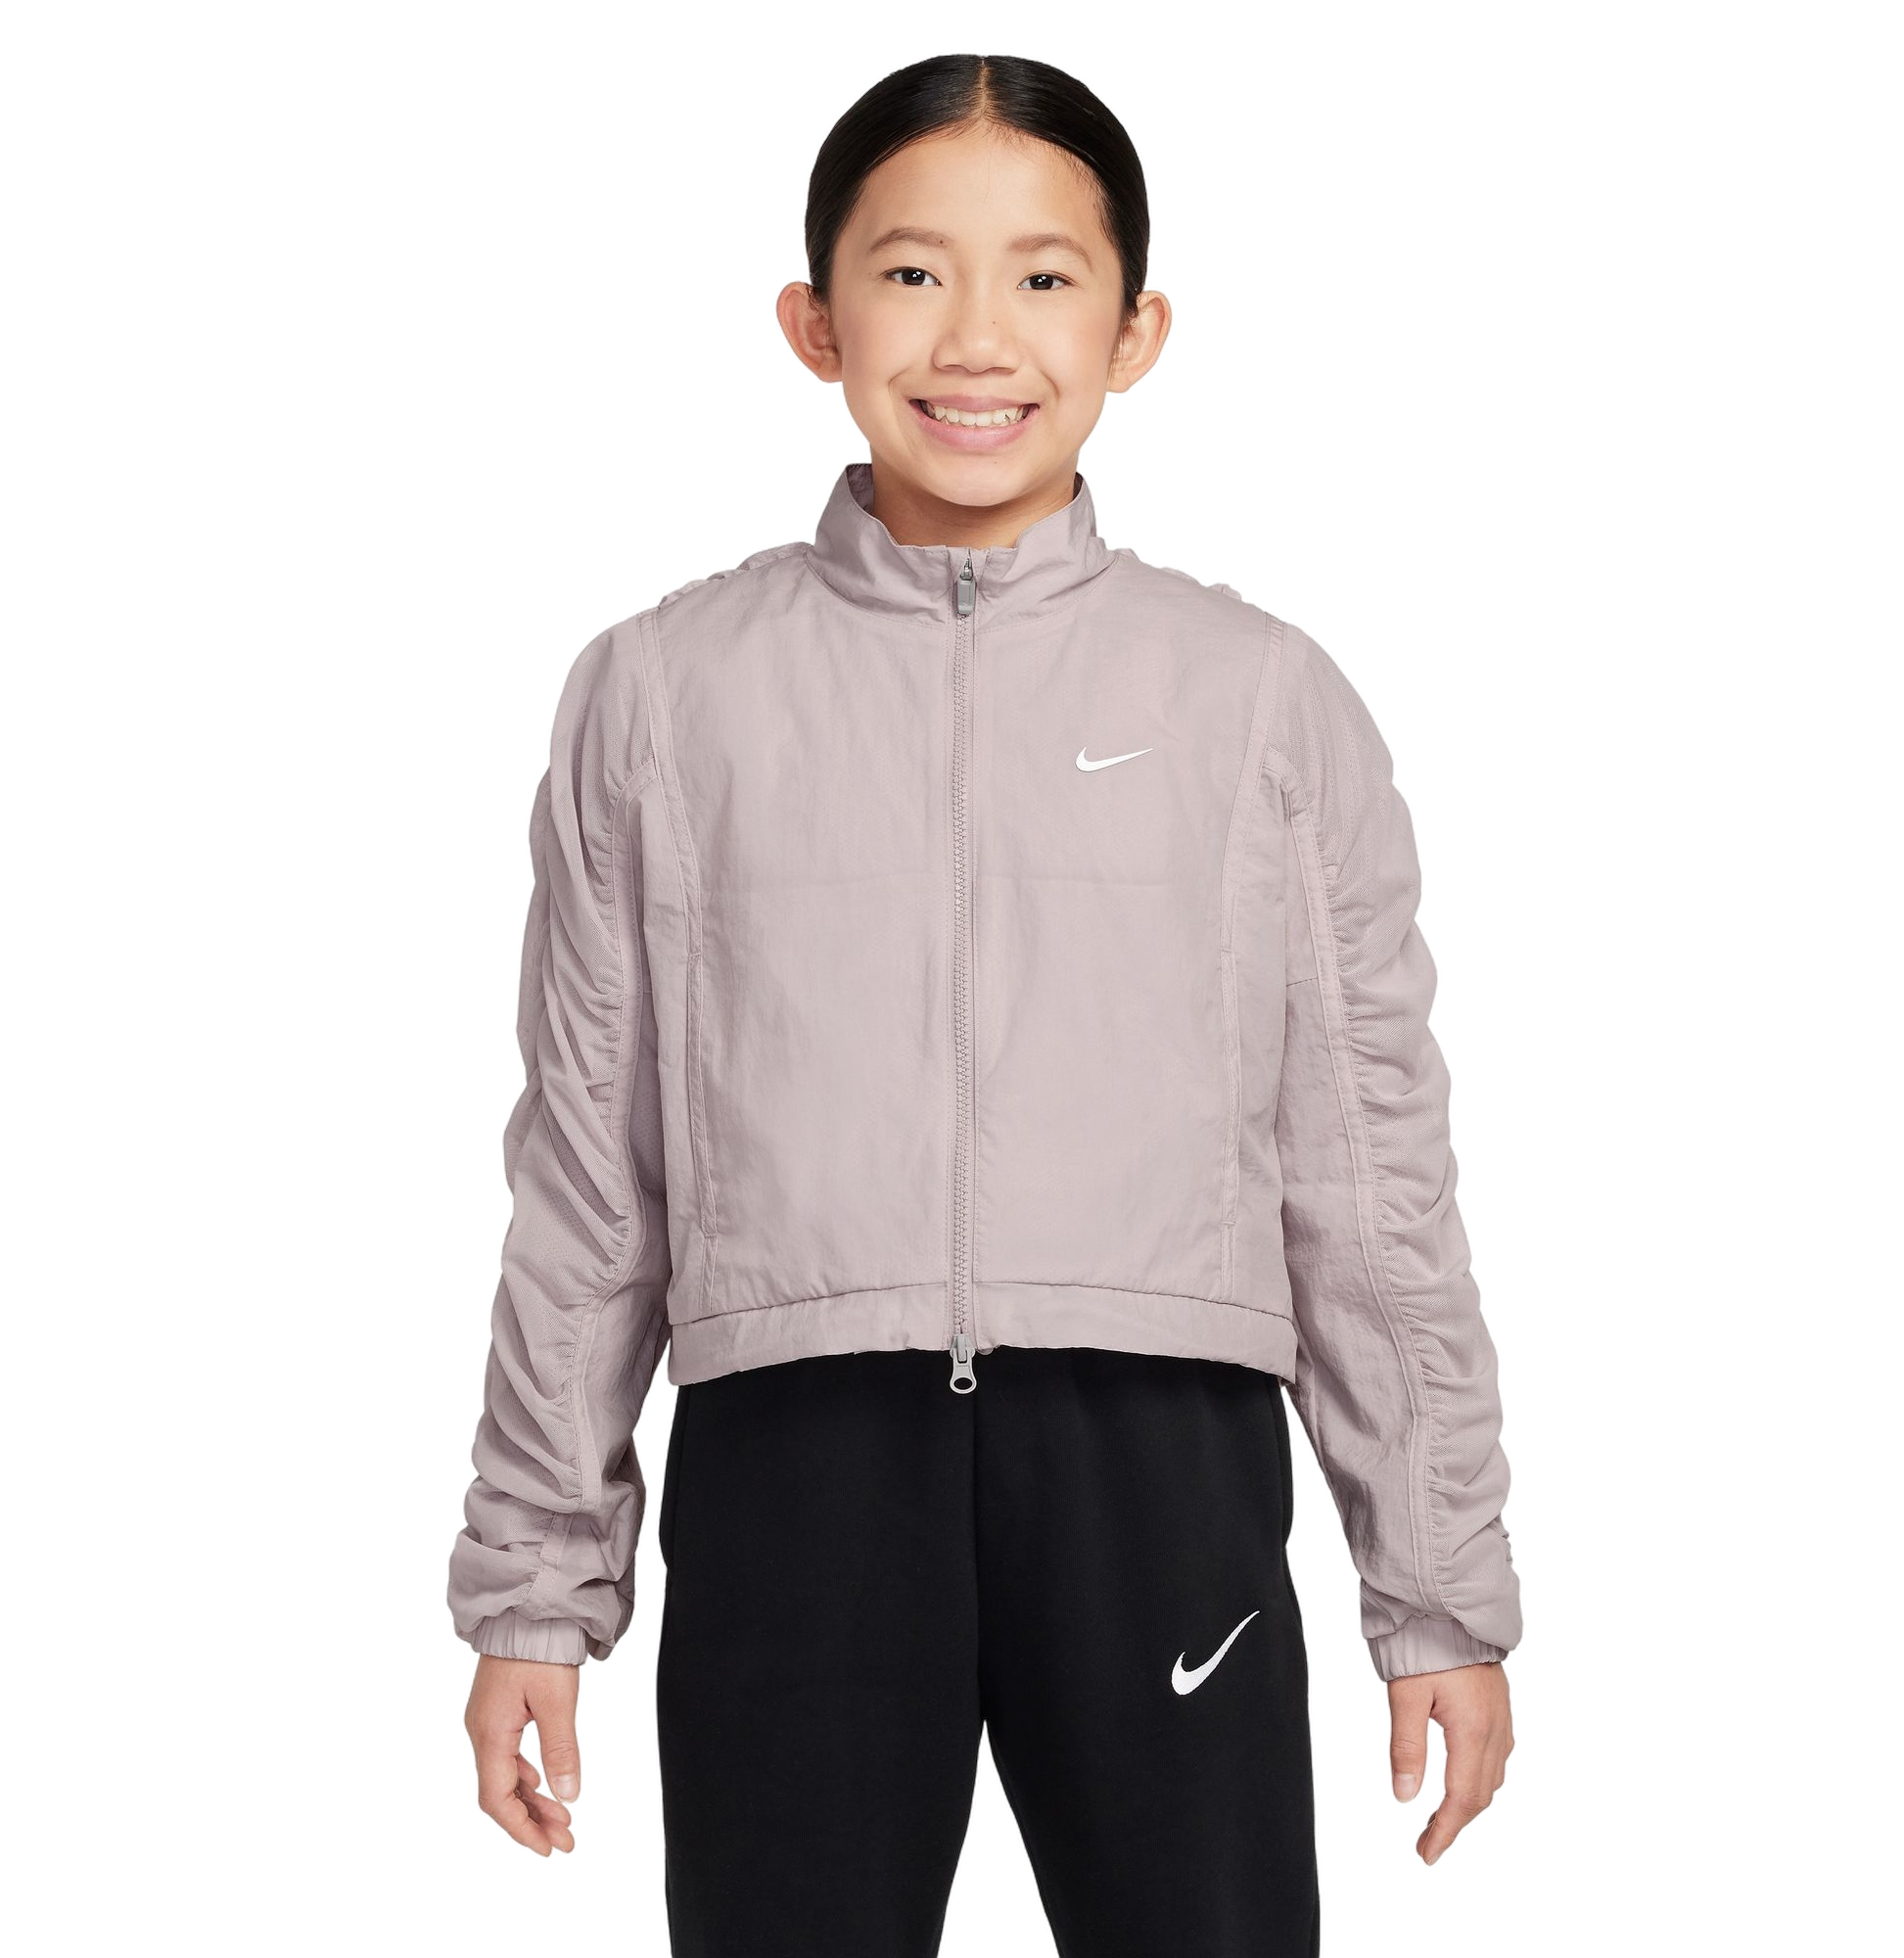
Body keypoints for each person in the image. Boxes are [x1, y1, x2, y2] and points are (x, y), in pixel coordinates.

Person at [444, 48, 1524, 1951]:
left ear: (1135, 333)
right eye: (911, 270)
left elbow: (1372, 1179)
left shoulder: (1261, 700)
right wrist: (535, 1590)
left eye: (1041, 276)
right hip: (789, 1466)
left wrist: (1435, 1596)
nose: (974, 337)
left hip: (1165, 1461)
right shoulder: (661, 690)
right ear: (813, 320)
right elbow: (588, 1177)